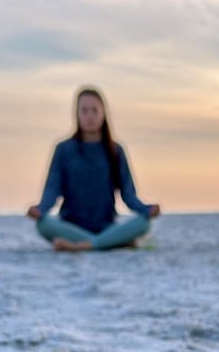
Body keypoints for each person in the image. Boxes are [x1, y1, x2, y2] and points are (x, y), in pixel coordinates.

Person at [27, 86, 160, 251]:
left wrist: (147, 209)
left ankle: (86, 245)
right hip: (70, 228)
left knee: (144, 223)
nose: (89, 116)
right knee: (43, 224)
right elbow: (52, 190)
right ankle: (109, 243)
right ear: (76, 114)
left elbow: (129, 195)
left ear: (104, 113)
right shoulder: (63, 149)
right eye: (84, 111)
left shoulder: (115, 150)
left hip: (106, 226)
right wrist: (40, 209)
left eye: (94, 110)